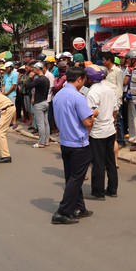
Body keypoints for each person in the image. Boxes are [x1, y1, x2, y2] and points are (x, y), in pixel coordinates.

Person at [52, 67, 96, 224]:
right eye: (83, 80)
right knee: (76, 179)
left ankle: (79, 207)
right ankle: (62, 211)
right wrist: (93, 116)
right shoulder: (77, 97)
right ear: (79, 79)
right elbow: (87, 121)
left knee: (71, 177)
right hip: (79, 142)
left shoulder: (59, 95)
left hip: (65, 141)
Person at [85, 65, 119, 200]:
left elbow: (90, 115)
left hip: (98, 132)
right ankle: (112, 189)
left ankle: (98, 192)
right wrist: (111, 121)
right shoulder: (109, 89)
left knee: (98, 163)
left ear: (89, 78)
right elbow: (115, 110)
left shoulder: (92, 93)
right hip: (109, 128)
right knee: (110, 161)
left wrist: (88, 132)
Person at [27, 62, 52, 148]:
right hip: (45, 102)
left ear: (38, 69)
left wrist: (30, 77)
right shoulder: (46, 79)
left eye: (34, 69)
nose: (33, 70)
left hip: (39, 103)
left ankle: (41, 142)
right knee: (46, 123)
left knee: (40, 123)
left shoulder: (39, 79)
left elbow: (28, 85)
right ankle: (46, 141)